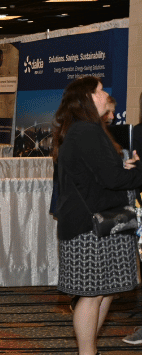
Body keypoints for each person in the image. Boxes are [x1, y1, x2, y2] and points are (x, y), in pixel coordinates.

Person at [51, 76, 142, 355]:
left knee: (102, 293)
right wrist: (136, 171)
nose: (106, 94)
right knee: (91, 296)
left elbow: (100, 174)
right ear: (87, 98)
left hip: (95, 224)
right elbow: (111, 178)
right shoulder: (86, 131)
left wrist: (125, 168)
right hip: (89, 228)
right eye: (100, 90)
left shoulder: (84, 130)